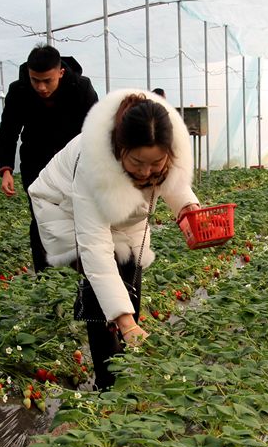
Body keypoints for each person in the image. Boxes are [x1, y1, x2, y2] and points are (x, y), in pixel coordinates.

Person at [28, 90, 201, 390]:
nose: (146, 172)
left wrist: (187, 207)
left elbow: (172, 181)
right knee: (101, 287)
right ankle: (107, 384)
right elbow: (95, 249)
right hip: (64, 209)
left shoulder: (163, 150)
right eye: (137, 162)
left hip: (124, 217)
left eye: (156, 162)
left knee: (130, 274)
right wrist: (124, 320)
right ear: (120, 149)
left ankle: (124, 360)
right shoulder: (92, 166)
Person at [0, 45, 98, 273]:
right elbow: (8, 131)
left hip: (73, 163)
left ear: (60, 72)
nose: (41, 87)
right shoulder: (19, 90)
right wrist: (6, 170)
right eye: (35, 80)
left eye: (47, 81)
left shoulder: (81, 88)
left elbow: (96, 130)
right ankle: (44, 274)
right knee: (41, 216)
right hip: (36, 162)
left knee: (78, 214)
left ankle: (82, 270)